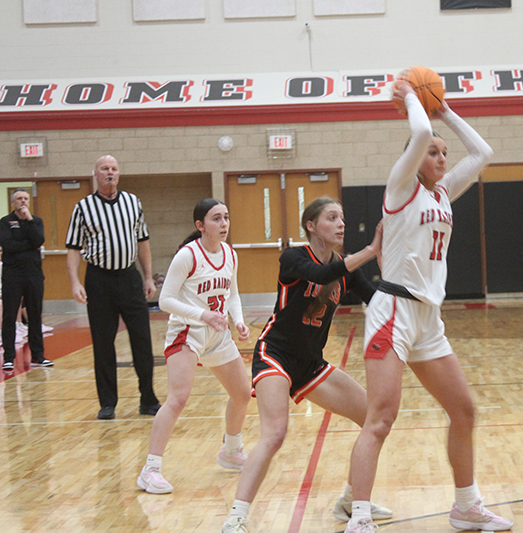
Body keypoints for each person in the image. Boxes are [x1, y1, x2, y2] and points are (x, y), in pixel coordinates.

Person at [343, 83, 512, 533]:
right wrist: (416, 100)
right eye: (433, 152)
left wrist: (446, 111)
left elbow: (482, 153)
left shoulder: (442, 192)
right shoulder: (400, 188)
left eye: (442, 152)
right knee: (380, 418)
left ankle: (465, 506)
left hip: (428, 319)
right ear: (412, 159)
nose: (441, 157)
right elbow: (418, 131)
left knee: (464, 411)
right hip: (394, 310)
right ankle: (359, 516)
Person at [221, 197, 390, 533]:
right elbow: (321, 272)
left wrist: (387, 262)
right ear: (312, 226)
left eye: (342, 217)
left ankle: (350, 498)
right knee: (275, 433)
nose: (341, 223)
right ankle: (236, 518)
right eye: (332, 218)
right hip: (275, 354)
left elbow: (380, 300)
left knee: (375, 417)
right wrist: (371, 250)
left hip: (311, 364)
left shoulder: (346, 269)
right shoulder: (295, 257)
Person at [137, 199, 251, 494]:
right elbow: (165, 300)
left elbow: (233, 294)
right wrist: (204, 315)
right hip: (187, 331)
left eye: (226, 217)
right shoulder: (188, 256)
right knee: (178, 399)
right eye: (216, 219)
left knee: (242, 392)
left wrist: (237, 320)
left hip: (218, 333)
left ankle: (231, 450)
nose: (224, 224)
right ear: (200, 225)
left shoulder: (229, 254)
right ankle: (150, 470)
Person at [65, 155, 160, 420]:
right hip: (99, 280)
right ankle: (108, 403)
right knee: (103, 344)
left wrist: (148, 277)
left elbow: (143, 242)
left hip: (129, 277)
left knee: (142, 339)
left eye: (114, 169)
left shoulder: (133, 203)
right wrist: (75, 282)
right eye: (105, 169)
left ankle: (148, 400)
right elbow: (73, 249)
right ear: (95, 174)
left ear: (119, 174)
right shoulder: (83, 207)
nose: (110, 173)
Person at [0, 188, 52, 371]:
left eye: (25, 198)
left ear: (29, 201)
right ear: (13, 202)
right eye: (19, 199)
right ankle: (8, 357)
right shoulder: (5, 222)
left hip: (34, 275)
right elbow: (7, 245)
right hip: (12, 275)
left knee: (35, 315)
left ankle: (38, 355)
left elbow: (38, 240)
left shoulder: (36, 221)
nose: (23, 201)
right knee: (9, 316)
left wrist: (28, 221)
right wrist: (29, 245)